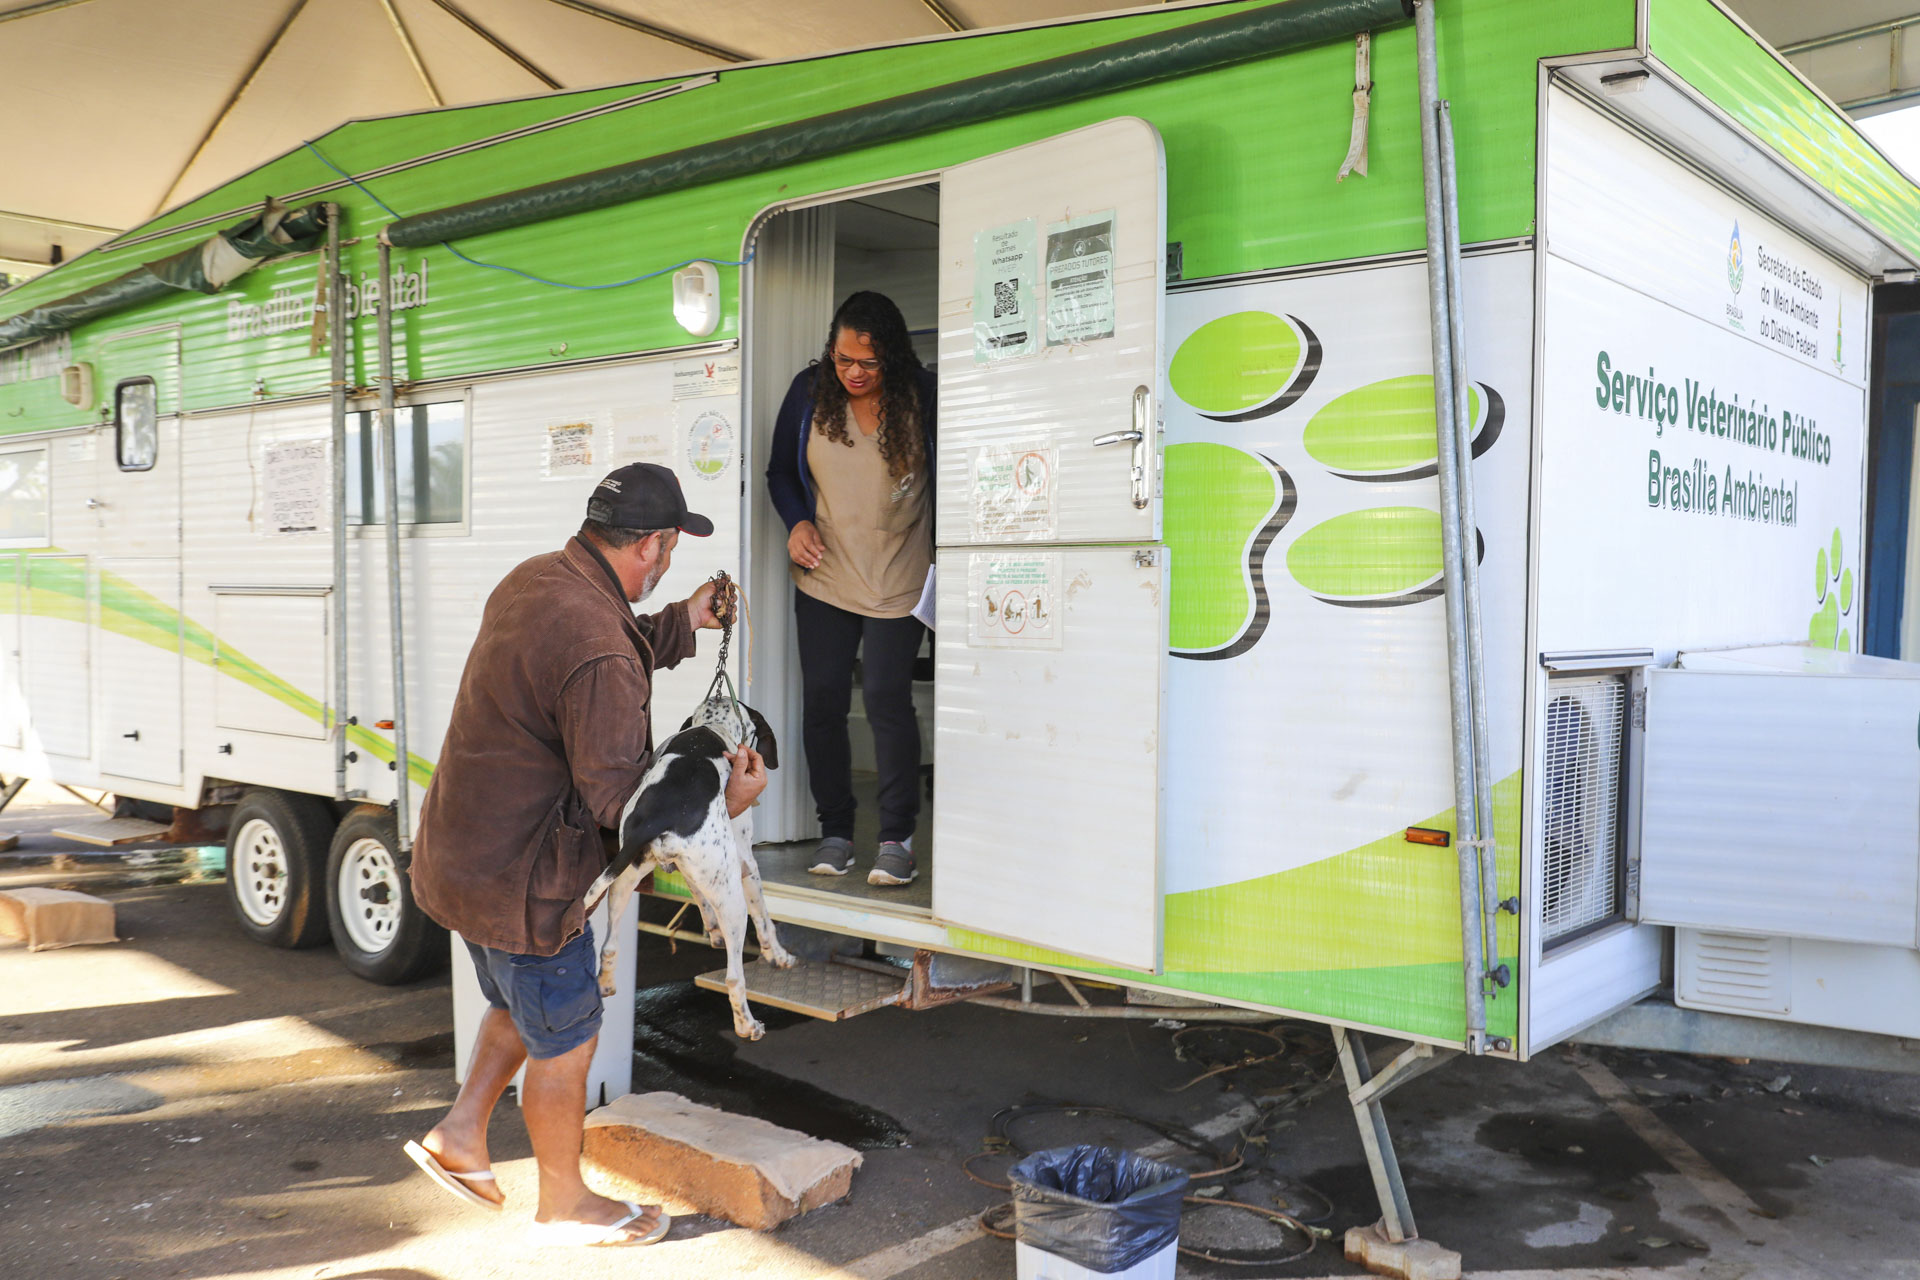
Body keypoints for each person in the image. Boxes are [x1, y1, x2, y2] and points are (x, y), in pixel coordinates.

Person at [404, 462, 766, 1247]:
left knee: (512, 1000)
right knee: (568, 1039)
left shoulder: (540, 579)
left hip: (463, 859)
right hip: (529, 882)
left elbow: (605, 648)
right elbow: (621, 806)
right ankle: (565, 1201)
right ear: (655, 544)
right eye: (671, 548)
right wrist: (723, 804)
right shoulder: (600, 642)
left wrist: (687, 618)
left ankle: (461, 1135)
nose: (671, 561)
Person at [767, 291, 937, 887]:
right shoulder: (810, 392)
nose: (854, 374)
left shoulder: (923, 395)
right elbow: (780, 473)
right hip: (826, 572)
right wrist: (798, 524)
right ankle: (836, 831)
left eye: (867, 363)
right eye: (843, 360)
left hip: (900, 571)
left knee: (889, 702)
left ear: (891, 357)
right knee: (824, 702)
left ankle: (896, 839)